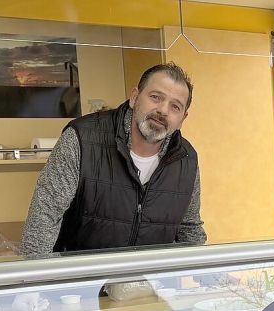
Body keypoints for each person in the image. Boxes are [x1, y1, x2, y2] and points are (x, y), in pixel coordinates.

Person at [20, 62, 206, 255]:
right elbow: (44, 218)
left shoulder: (186, 158)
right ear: (134, 98)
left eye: (175, 107)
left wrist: (212, 276)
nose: (163, 110)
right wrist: (38, 280)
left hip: (149, 281)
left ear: (183, 118)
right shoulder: (82, 138)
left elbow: (189, 229)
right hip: (83, 279)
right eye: (155, 97)